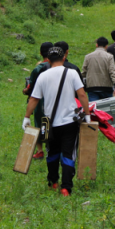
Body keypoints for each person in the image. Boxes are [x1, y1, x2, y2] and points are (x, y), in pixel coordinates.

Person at [22, 46, 90, 197]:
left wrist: (27, 117)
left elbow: (34, 98)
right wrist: (87, 114)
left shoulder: (43, 76)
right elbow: (82, 95)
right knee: (68, 154)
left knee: (52, 152)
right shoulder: (72, 73)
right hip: (69, 122)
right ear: (64, 58)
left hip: (48, 122)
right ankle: (66, 187)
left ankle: (53, 182)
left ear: (48, 59)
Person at [22, 42, 53, 160]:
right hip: (54, 99)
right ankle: (51, 147)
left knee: (39, 123)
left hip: (40, 101)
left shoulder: (38, 69)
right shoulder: (57, 66)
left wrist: (25, 90)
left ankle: (40, 151)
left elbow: (31, 87)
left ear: (40, 53)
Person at [82, 37, 115, 102]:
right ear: (106, 46)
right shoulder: (109, 56)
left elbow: (84, 72)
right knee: (106, 109)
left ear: (96, 45)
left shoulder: (88, 57)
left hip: (92, 88)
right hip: (106, 88)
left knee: (94, 109)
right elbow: (112, 71)